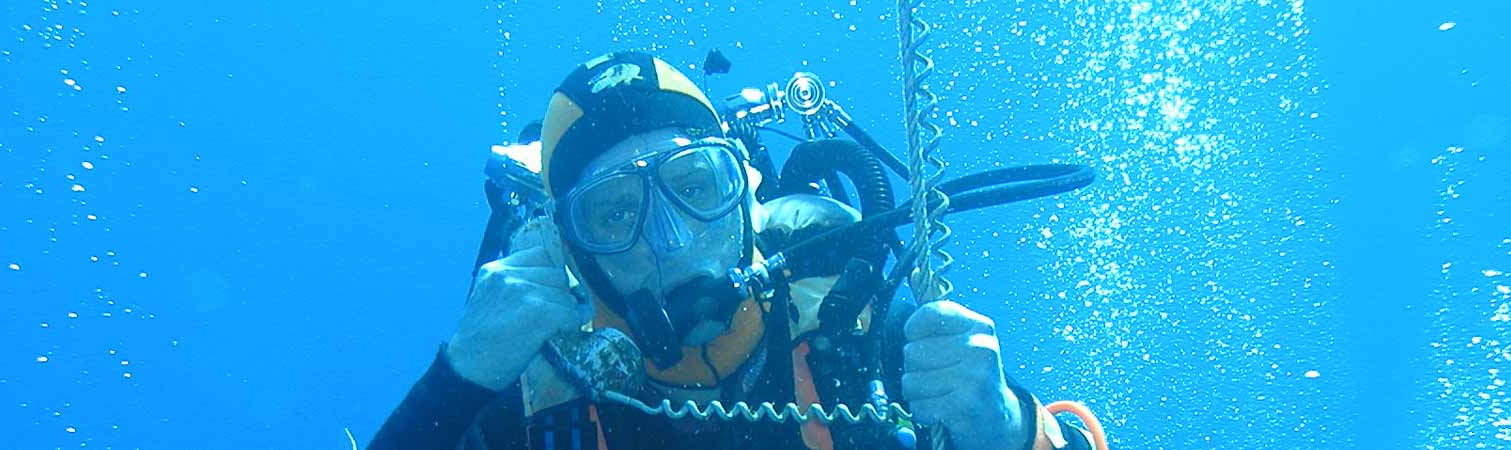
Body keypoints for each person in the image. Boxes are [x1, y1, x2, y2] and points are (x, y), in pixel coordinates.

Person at [370, 52, 1099, 450]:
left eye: (696, 184)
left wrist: (1003, 427)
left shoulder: (840, 310)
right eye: (614, 212)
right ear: (571, 250)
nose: (672, 239)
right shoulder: (546, 392)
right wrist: (457, 381)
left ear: (748, 189)